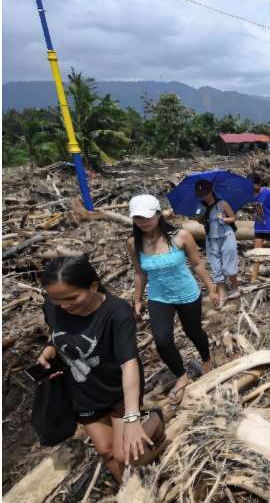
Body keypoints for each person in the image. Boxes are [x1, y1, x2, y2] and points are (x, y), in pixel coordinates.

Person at [38, 255, 164, 482]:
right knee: (106, 452)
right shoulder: (52, 305)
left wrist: (133, 417)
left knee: (125, 454)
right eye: (57, 300)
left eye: (71, 298)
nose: (64, 306)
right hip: (84, 392)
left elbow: (129, 363)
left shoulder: (116, 313)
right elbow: (55, 331)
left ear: (93, 286)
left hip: (118, 391)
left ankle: (154, 419)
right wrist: (50, 347)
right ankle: (127, 491)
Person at [127, 194, 219, 405]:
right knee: (162, 340)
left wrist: (212, 288)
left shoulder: (181, 236)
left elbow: (197, 264)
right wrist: (138, 299)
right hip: (159, 296)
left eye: (147, 217)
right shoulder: (134, 243)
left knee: (193, 330)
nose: (142, 222)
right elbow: (139, 272)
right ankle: (181, 375)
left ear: (159, 214)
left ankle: (206, 359)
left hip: (187, 293)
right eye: (137, 218)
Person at [195, 179, 240, 303]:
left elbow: (233, 217)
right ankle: (222, 293)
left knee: (228, 263)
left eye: (205, 193)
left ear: (210, 191)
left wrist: (225, 219)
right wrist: (200, 215)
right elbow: (198, 220)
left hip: (226, 235)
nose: (203, 197)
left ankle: (235, 288)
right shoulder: (200, 206)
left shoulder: (222, 203)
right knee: (215, 265)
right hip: (211, 238)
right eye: (201, 195)